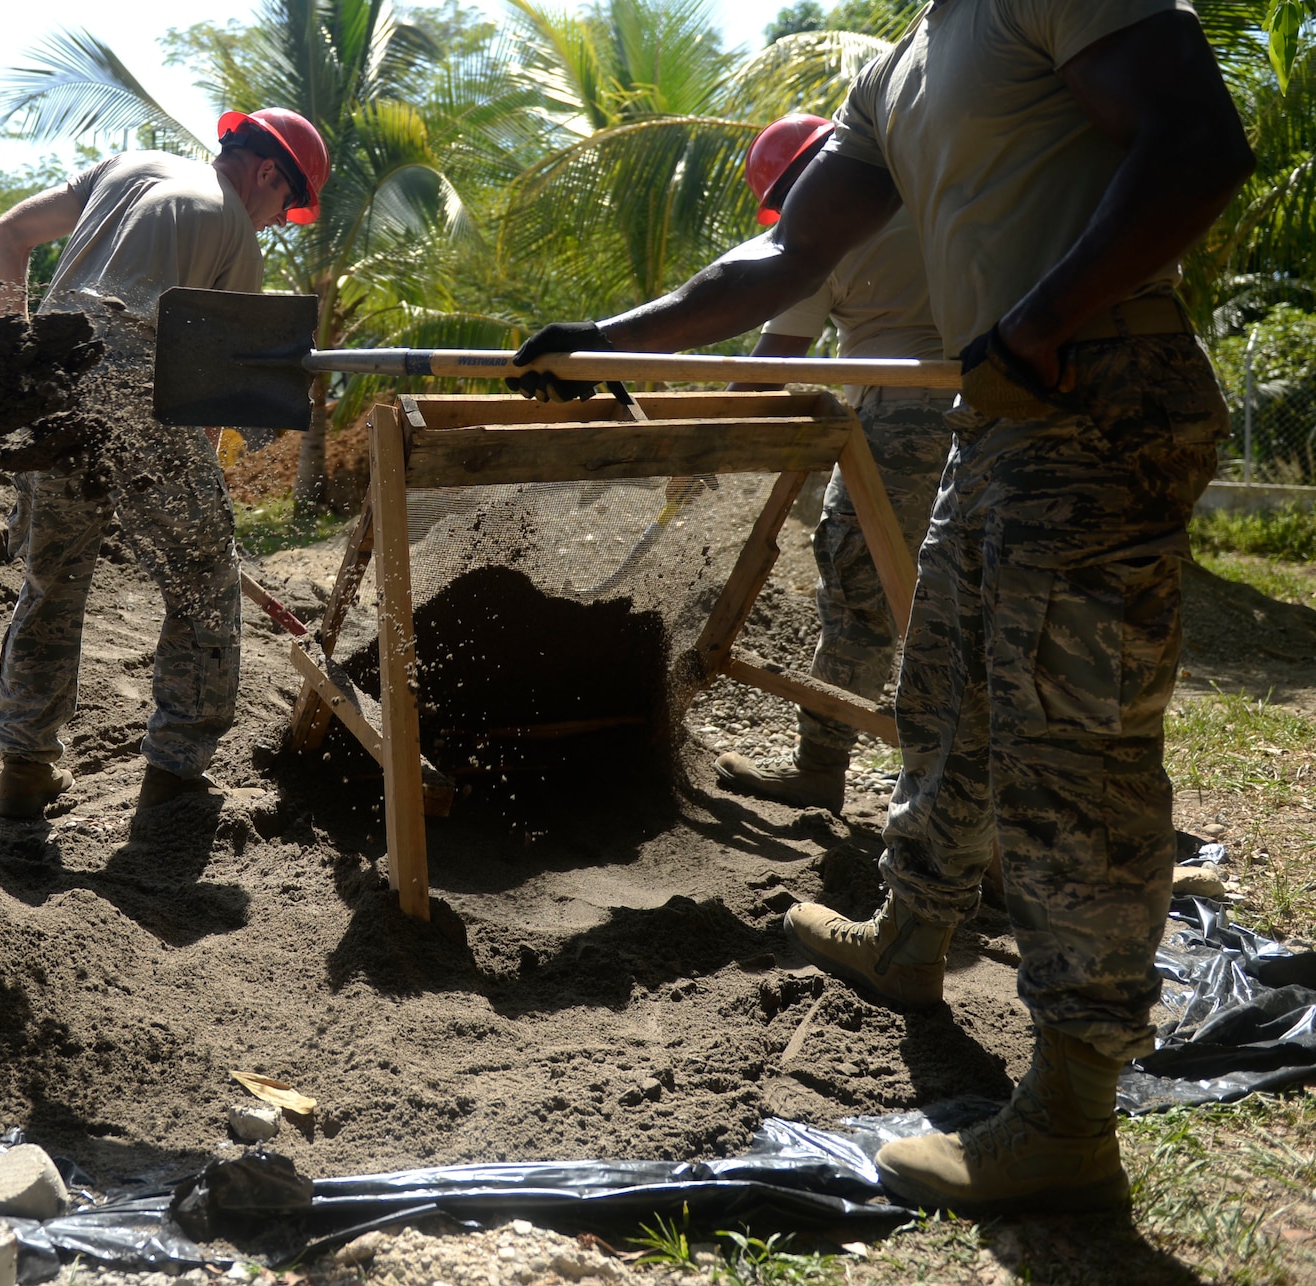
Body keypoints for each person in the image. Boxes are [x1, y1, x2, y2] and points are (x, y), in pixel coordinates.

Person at [510, 3, 1252, 1214]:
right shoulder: (896, 68)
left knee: (1072, 749)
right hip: (996, 409)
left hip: (1096, 379)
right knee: (943, 687)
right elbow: (787, 259)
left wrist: (1043, 317)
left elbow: (1195, 141)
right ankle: (910, 935)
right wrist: (613, 339)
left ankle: (1069, 1114)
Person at [0, 109, 330, 819]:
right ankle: (175, 774)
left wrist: (12, 351)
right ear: (266, 172)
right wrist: (196, 488)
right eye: (284, 205)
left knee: (53, 580)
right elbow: (209, 388)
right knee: (204, 583)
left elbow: (5, 236)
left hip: (49, 380)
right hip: (134, 379)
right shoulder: (235, 226)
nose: (274, 221)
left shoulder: (127, 165)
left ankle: (24, 769)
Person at [709, 112, 953, 815]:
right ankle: (981, 790)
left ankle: (819, 767)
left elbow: (768, 369)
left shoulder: (823, 231)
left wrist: (702, 446)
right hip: (987, 411)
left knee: (858, 596)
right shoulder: (928, 195)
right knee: (968, 598)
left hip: (898, 426)